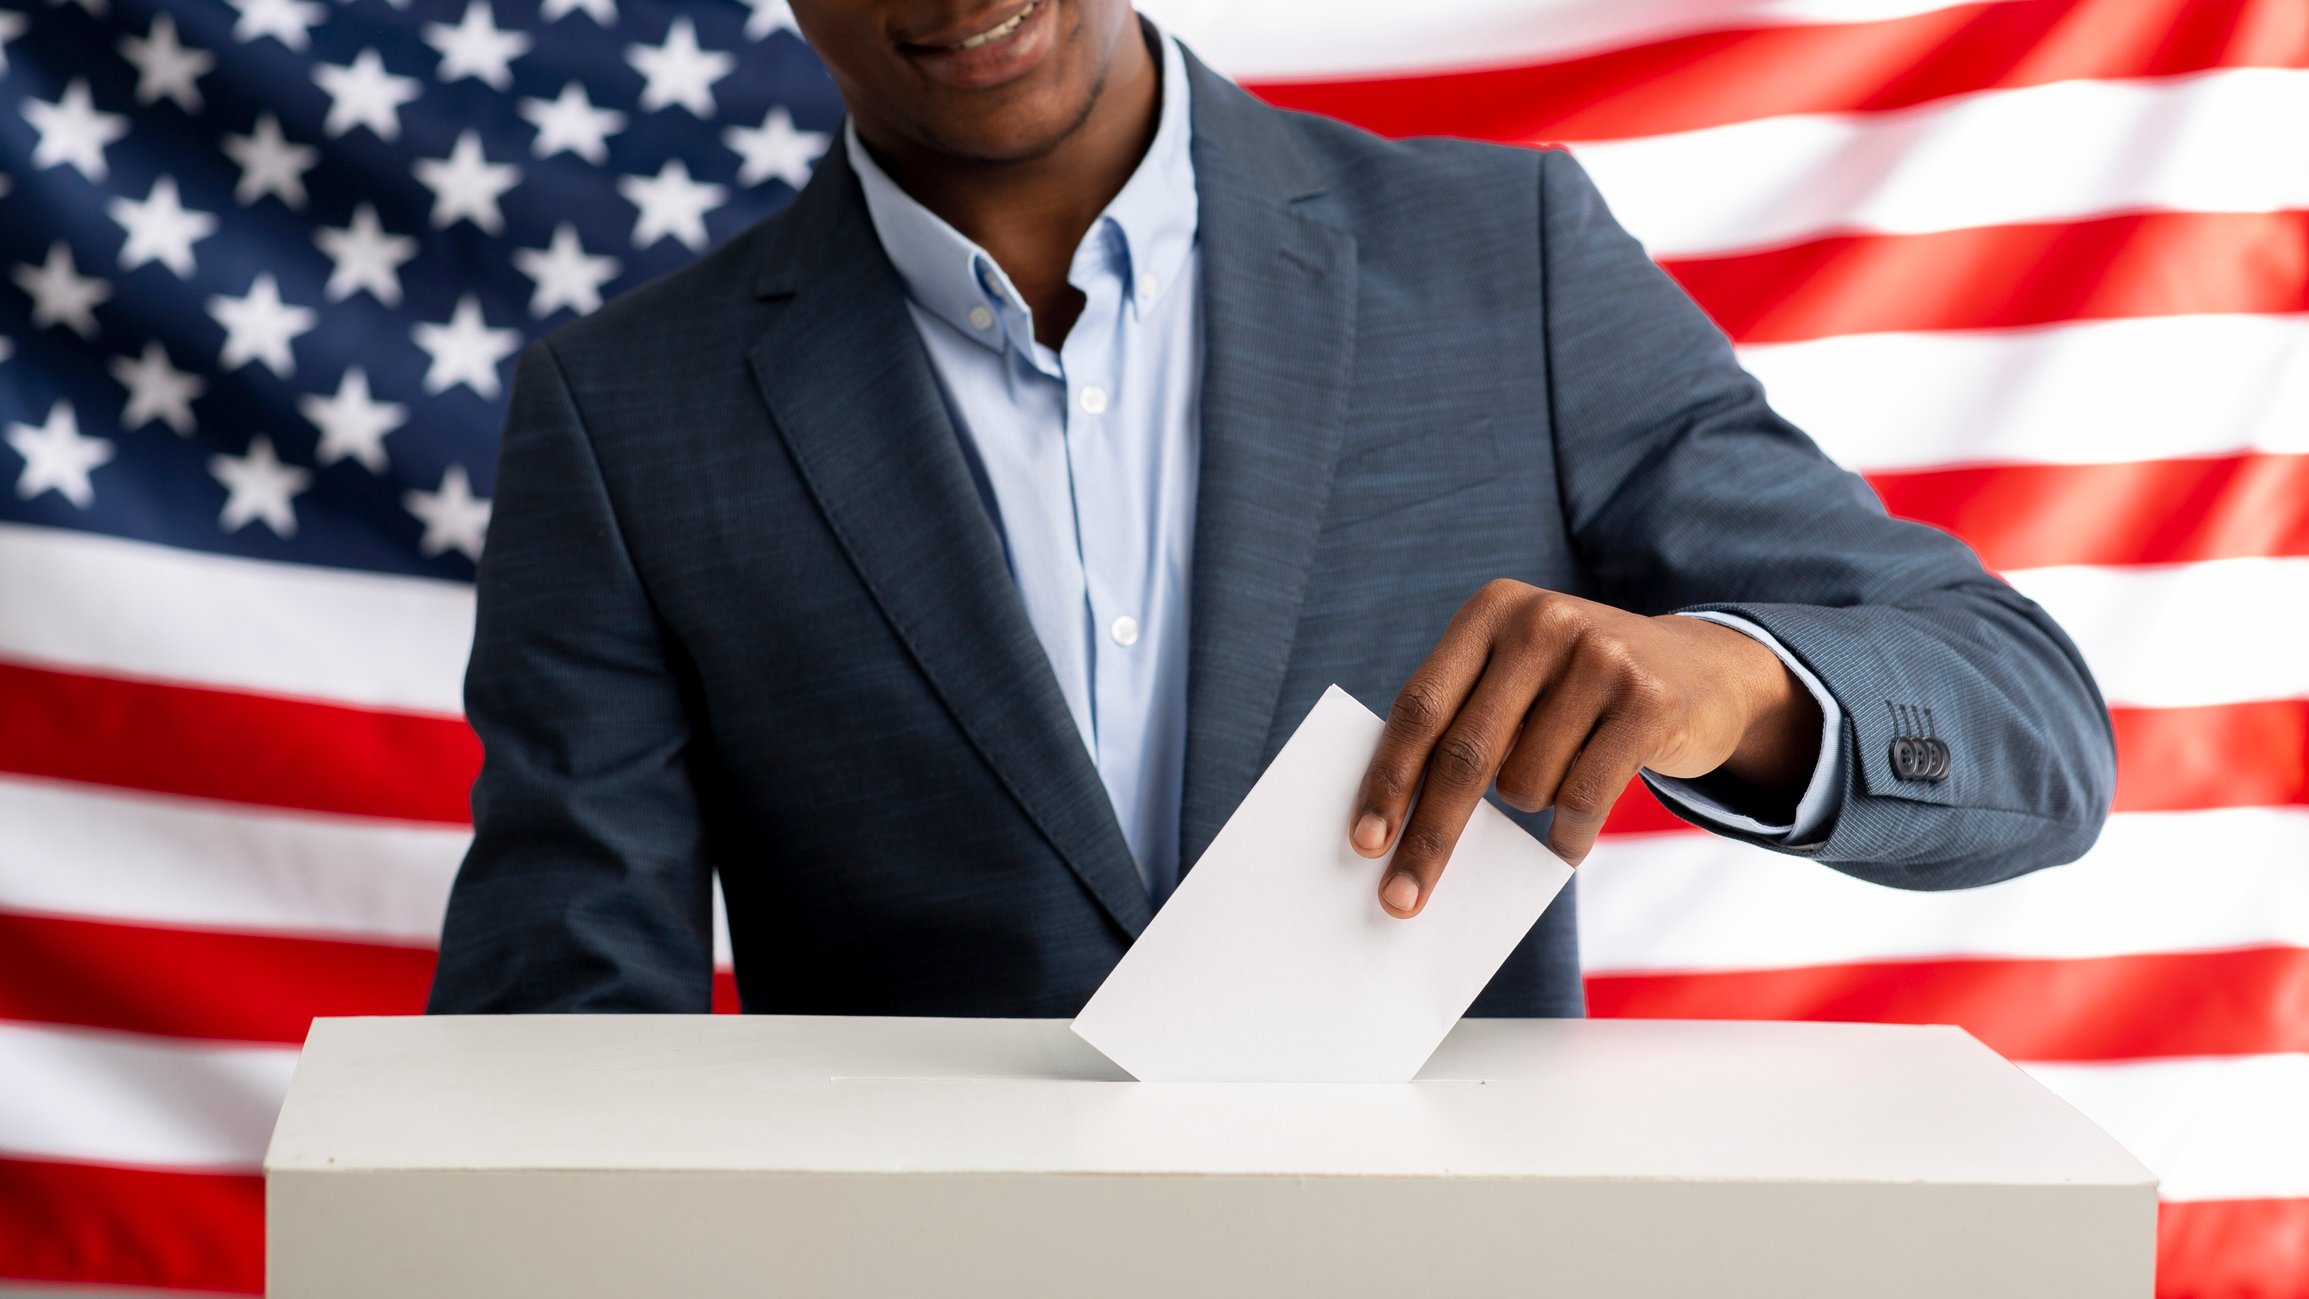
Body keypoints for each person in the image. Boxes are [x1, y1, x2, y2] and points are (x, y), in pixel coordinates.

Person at [427, 0, 2115, 1018]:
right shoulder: (627, 412)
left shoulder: (1499, 261)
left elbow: (2032, 739)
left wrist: (1726, 681)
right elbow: (565, 1026)